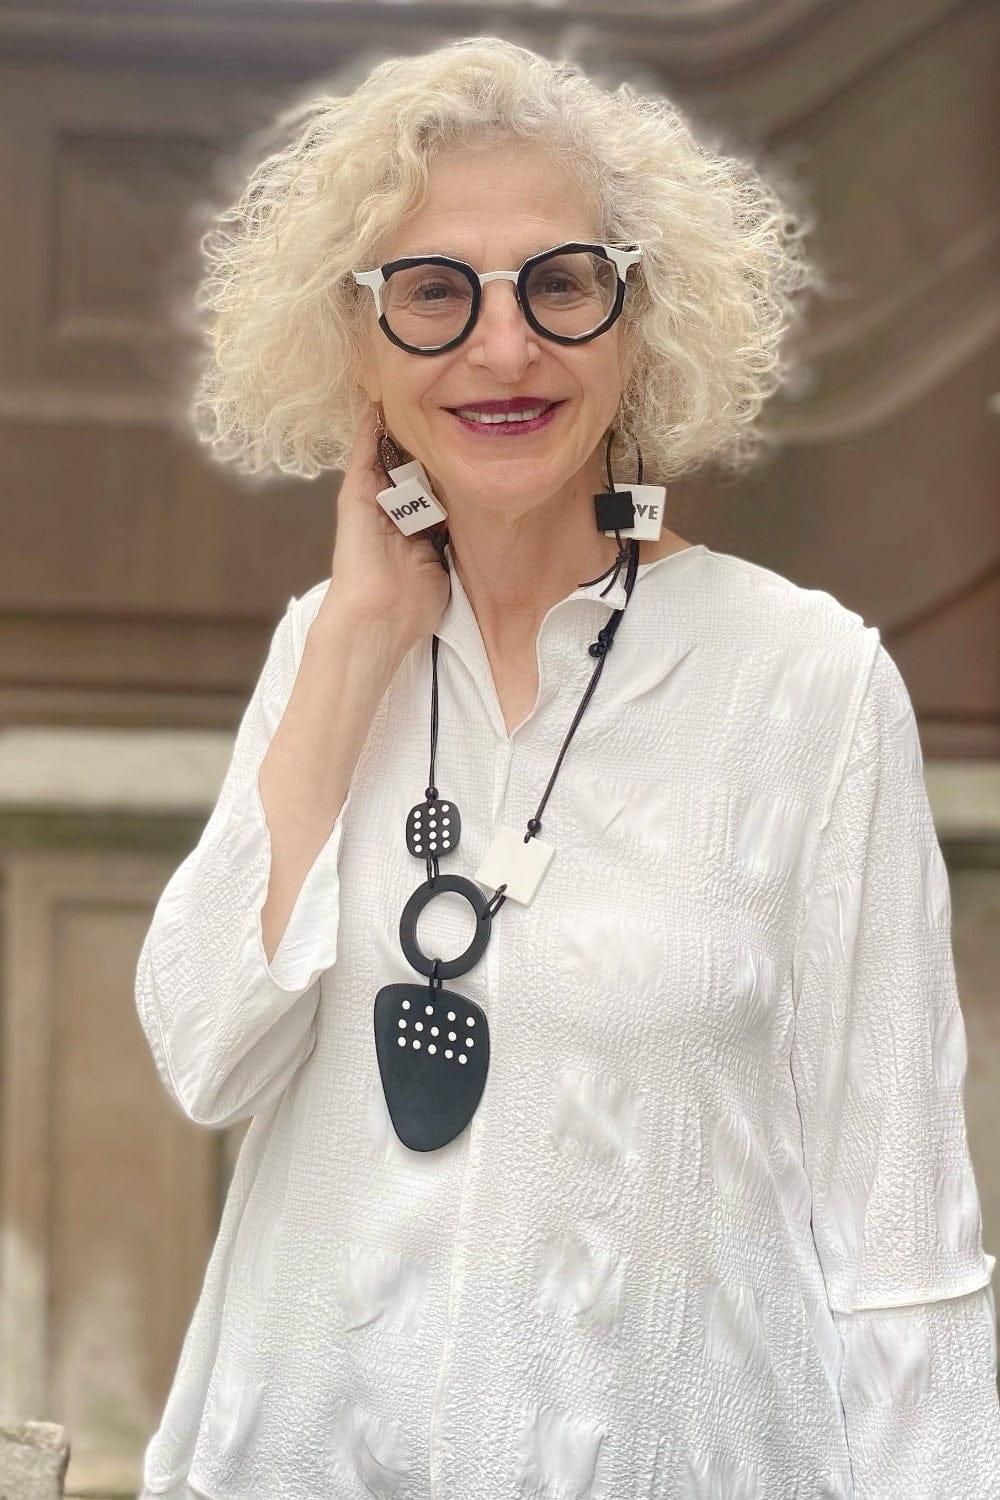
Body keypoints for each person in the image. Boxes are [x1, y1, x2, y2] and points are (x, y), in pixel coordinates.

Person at [135, 35, 1000, 1500]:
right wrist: (354, 647)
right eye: (432, 294)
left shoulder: (812, 683)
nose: (504, 348)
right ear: (355, 347)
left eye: (562, 283)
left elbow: (901, 1240)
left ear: (637, 323)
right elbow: (206, 1057)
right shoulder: (326, 650)